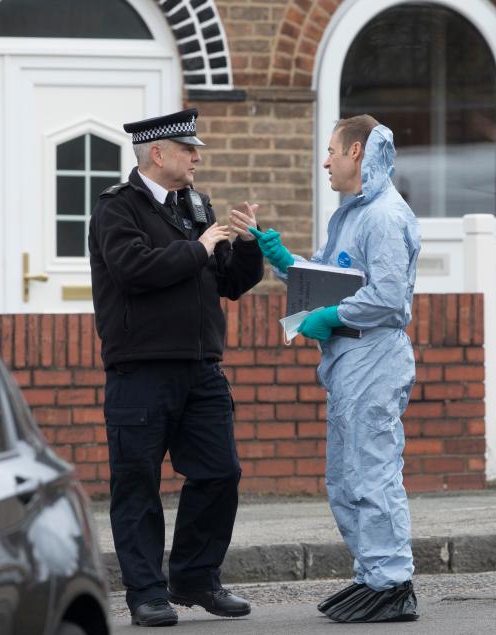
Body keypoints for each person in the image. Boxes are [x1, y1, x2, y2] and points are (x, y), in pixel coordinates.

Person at [88, 108, 263, 627]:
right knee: (137, 483)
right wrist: (198, 247)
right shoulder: (117, 210)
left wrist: (247, 244)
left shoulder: (197, 206)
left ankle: (196, 578)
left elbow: (228, 282)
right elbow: (134, 269)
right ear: (157, 154)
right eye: (189, 150)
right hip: (140, 372)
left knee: (220, 472)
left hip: (202, 370)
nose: (197, 157)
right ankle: (146, 593)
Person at [251, 114, 421, 622]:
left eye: (331, 150)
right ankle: (373, 573)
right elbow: (330, 276)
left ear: (356, 153)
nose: (325, 161)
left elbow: (389, 298)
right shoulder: (350, 215)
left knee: (373, 472)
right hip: (351, 363)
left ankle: (393, 582)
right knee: (345, 477)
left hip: (374, 359)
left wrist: (333, 315)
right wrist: (282, 259)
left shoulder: (385, 216)